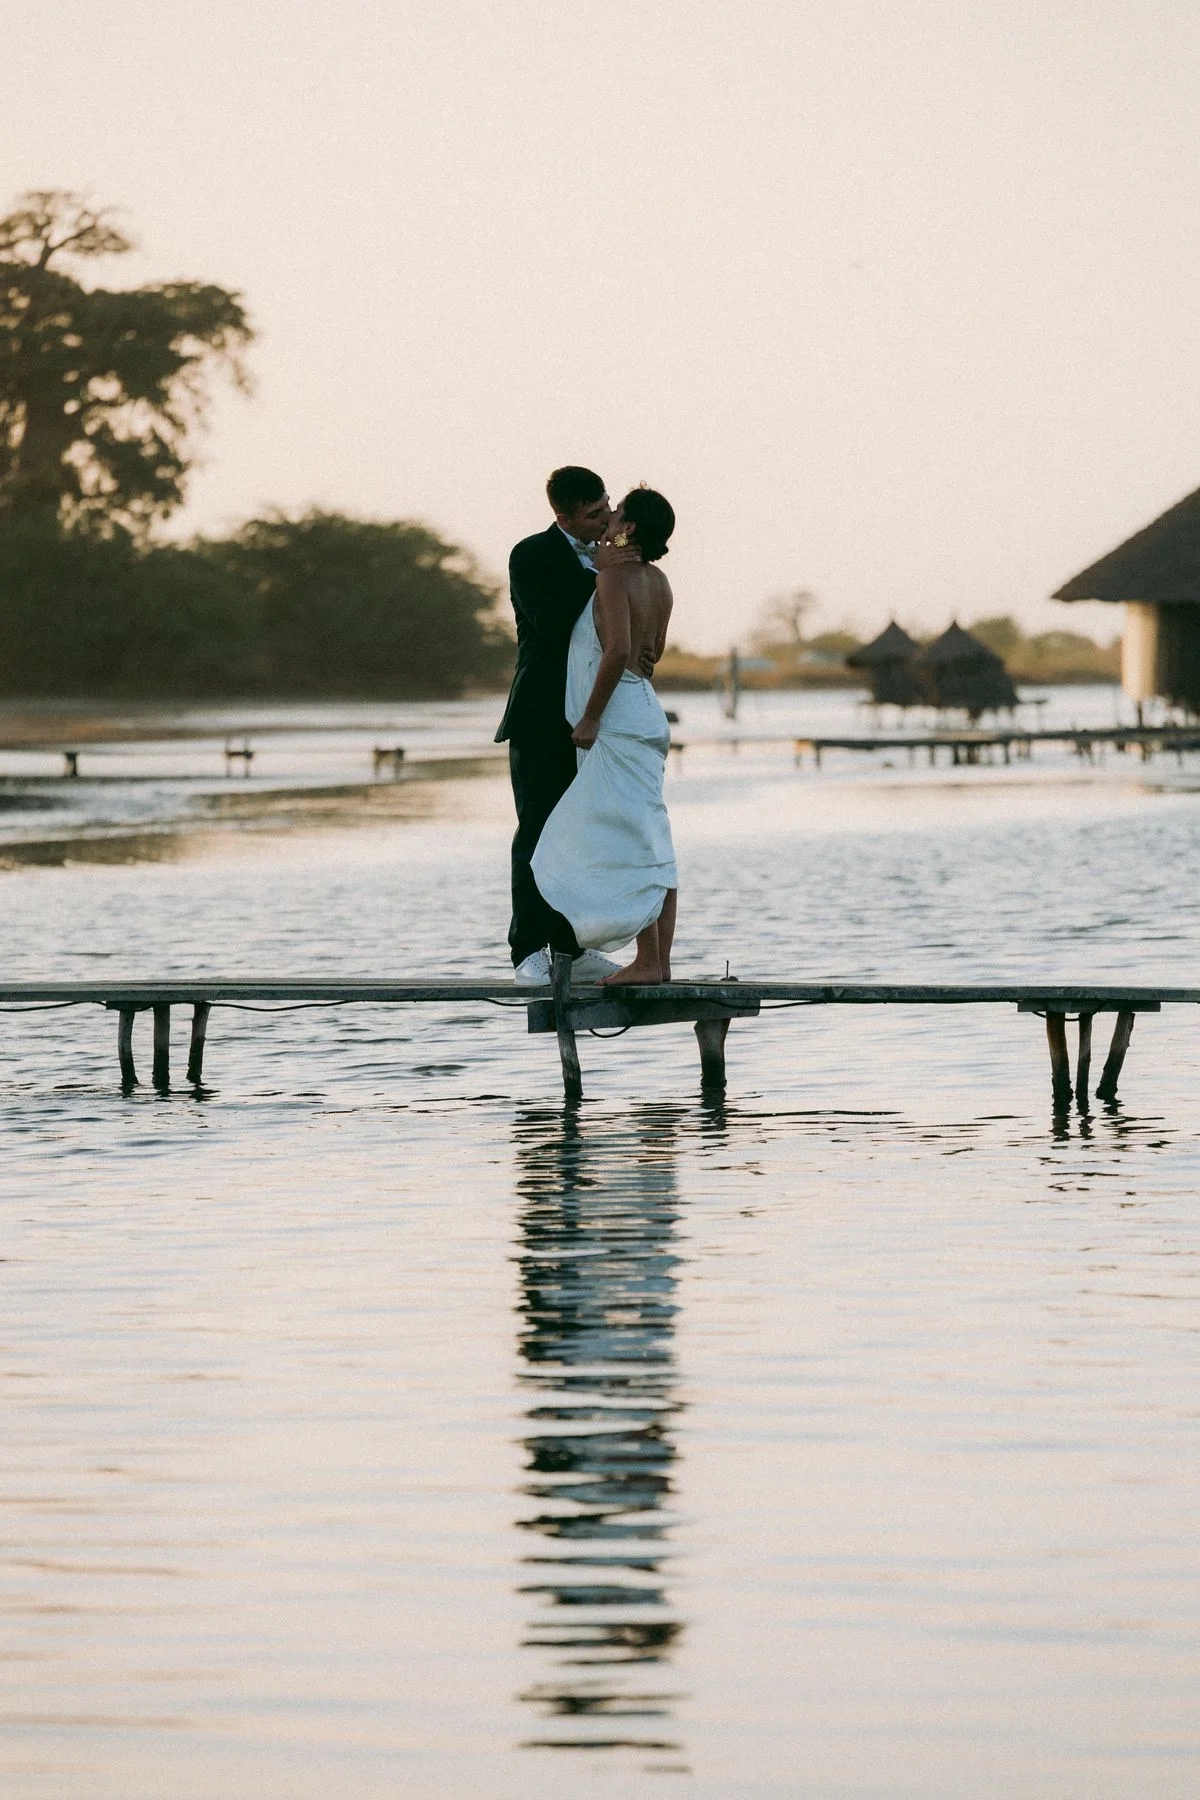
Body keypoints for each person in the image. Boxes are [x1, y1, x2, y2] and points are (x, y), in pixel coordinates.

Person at [496, 467, 641, 984]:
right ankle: (527, 951)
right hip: (540, 715)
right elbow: (551, 622)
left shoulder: (611, 553)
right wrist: (598, 573)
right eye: (593, 514)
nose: (604, 520)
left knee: (581, 834)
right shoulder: (530, 554)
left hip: (594, 715)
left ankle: (571, 948)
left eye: (606, 507)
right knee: (538, 831)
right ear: (563, 517)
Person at [531, 486, 678, 986]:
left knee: (628, 837)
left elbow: (617, 651)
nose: (608, 521)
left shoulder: (613, 580)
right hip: (646, 711)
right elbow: (652, 651)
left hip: (618, 720)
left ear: (628, 528)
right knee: (650, 836)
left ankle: (647, 961)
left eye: (615, 516)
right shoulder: (658, 581)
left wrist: (590, 717)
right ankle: (657, 961)